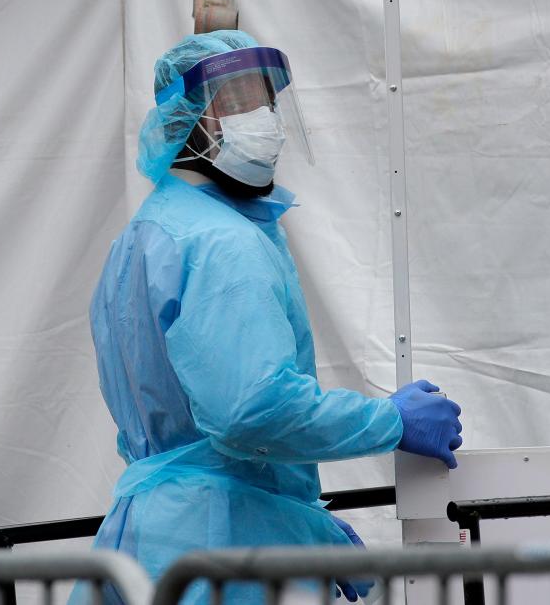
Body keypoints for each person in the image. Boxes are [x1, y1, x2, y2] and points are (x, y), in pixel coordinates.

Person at [81, 30, 463, 604]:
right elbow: (249, 412)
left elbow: (189, 421)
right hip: (228, 544)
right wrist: (389, 420)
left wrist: (300, 523)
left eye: (265, 99)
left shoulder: (142, 237)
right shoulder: (223, 243)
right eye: (234, 102)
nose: (263, 118)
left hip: (156, 536)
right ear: (186, 120)